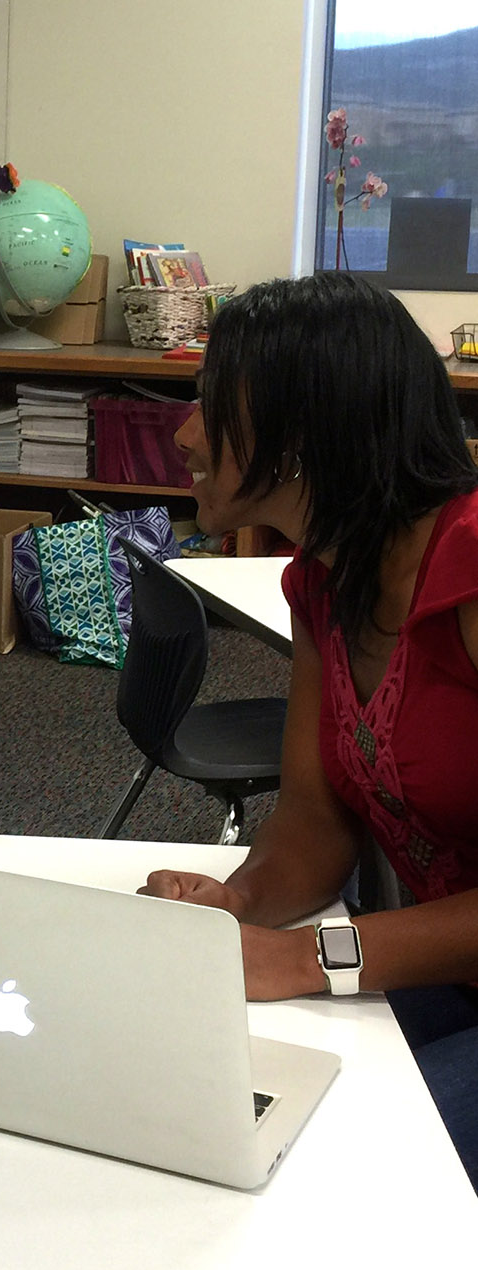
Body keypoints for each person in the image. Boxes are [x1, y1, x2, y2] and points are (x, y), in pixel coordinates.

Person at [138, 272, 478, 1186]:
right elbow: (314, 825)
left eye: (212, 403)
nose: (185, 433)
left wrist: (300, 957)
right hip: (450, 973)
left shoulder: (472, 566)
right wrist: (237, 905)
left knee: (334, 1171)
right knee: (200, 1095)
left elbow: (309, 956)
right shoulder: (323, 584)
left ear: (303, 432)